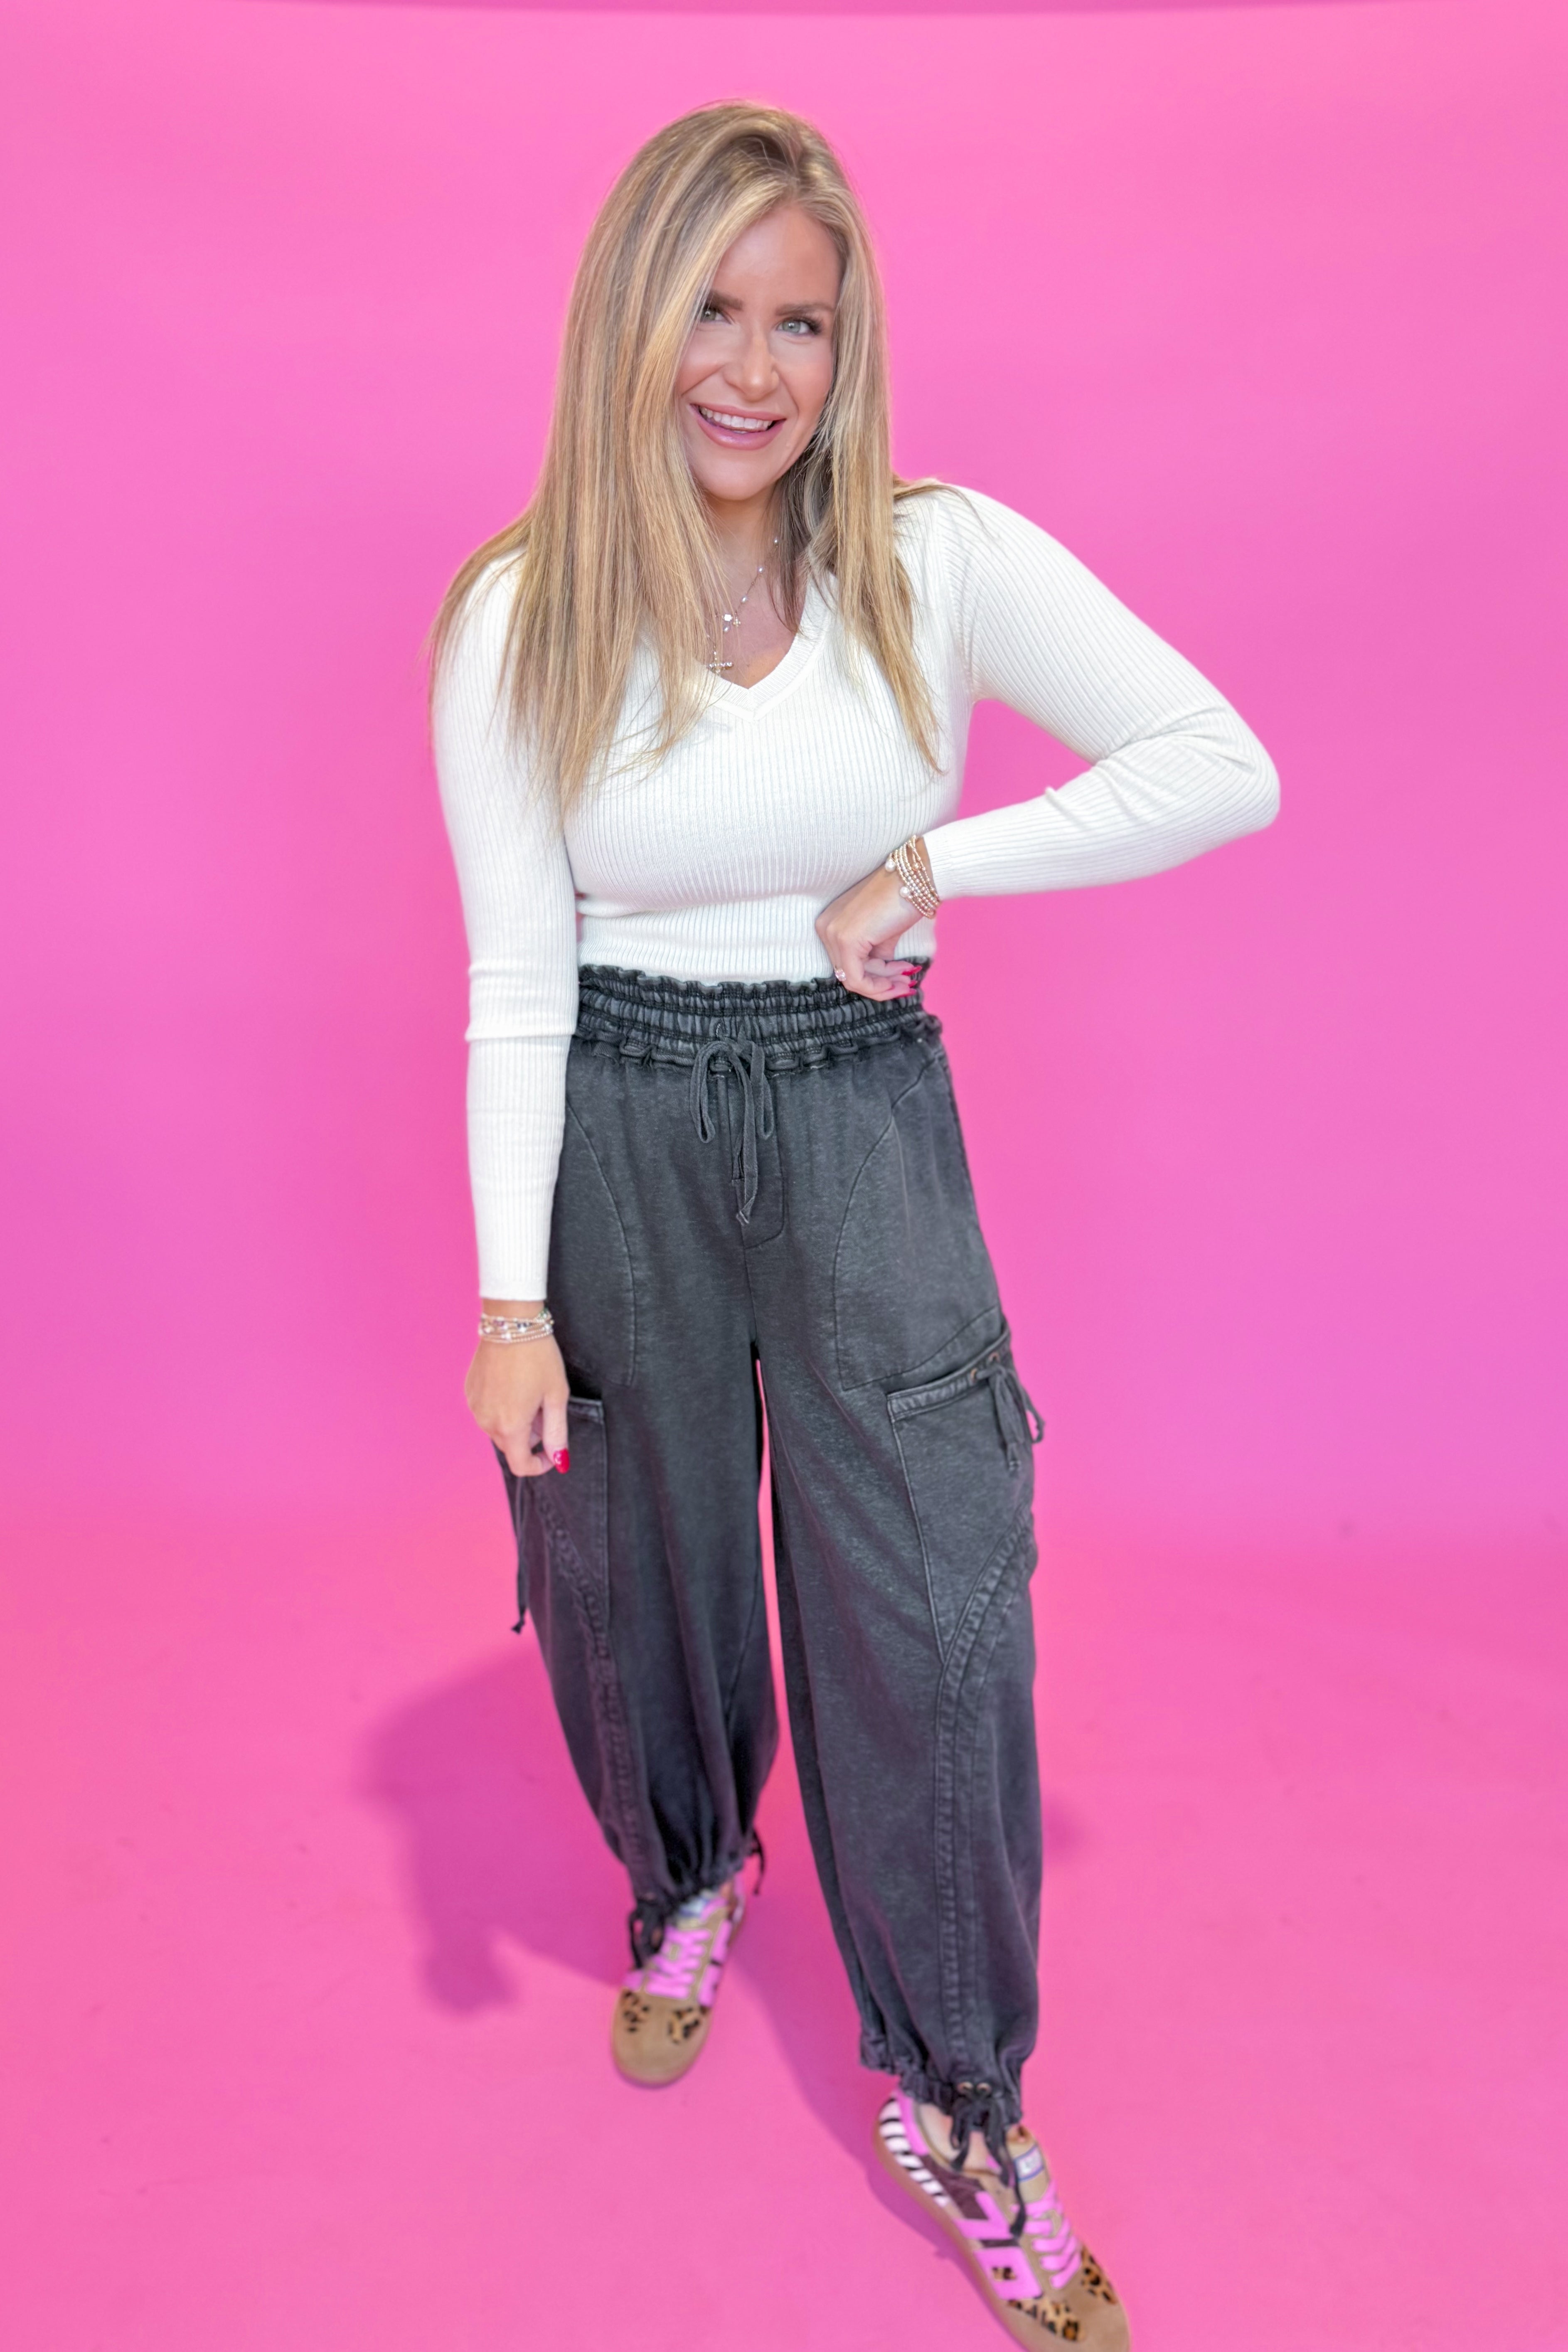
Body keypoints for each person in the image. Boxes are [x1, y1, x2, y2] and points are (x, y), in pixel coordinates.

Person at [431, 102, 1276, 2350]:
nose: (755, 367)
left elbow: (1220, 758)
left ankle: (963, 2100)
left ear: (849, 346)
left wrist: (937, 867)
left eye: (801, 321)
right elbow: (516, 977)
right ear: (630, 320)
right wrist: (508, 1299)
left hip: (859, 1107)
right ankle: (691, 1875)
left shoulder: (938, 560)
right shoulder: (524, 614)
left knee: (937, 1603)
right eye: (711, 308)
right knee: (637, 1565)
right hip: (613, 1115)